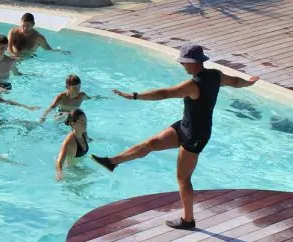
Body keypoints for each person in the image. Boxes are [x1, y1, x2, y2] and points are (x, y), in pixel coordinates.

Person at [90, 44, 259, 230]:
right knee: (151, 143)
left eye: (184, 62)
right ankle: (112, 162)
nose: (182, 66)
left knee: (183, 179)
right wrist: (248, 82)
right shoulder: (215, 75)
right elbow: (235, 82)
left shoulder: (193, 85)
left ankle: (188, 220)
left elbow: (164, 93)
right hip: (185, 125)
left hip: (196, 135)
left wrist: (135, 96)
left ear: (193, 63)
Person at [55, 109, 90, 181]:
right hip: (71, 172)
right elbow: (59, 161)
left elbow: (89, 140)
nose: (85, 124)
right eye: (82, 122)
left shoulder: (84, 134)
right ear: (73, 123)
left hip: (81, 168)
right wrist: (59, 174)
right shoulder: (69, 142)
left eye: (86, 121)